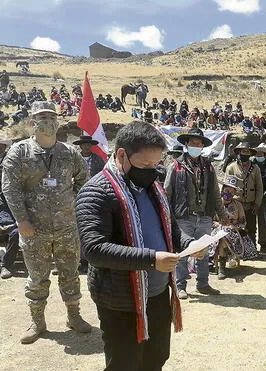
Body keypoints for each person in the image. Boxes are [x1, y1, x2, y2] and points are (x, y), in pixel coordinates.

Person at [75, 121, 201, 370]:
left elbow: (170, 231)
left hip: (157, 296)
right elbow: (94, 249)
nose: (152, 171)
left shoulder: (153, 188)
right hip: (120, 300)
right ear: (122, 155)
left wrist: (190, 244)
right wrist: (152, 259)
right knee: (125, 364)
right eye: (145, 165)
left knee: (156, 359)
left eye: (156, 164)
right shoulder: (96, 192)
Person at [2, 101, 92, 344]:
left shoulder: (69, 152)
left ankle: (74, 316)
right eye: (42, 117)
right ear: (32, 122)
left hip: (67, 228)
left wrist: (75, 207)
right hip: (34, 230)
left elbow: (85, 181)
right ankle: (38, 322)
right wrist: (22, 220)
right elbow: (10, 189)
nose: (48, 121)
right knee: (37, 278)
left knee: (70, 274)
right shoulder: (19, 152)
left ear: (57, 121)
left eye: (52, 117)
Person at [164, 128, 228, 299]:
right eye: (193, 142)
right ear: (186, 144)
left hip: (204, 216)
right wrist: (167, 216)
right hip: (183, 216)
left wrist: (222, 214)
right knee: (183, 251)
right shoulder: (175, 166)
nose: (196, 145)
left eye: (199, 143)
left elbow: (215, 192)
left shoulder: (208, 166)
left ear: (202, 146)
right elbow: (166, 193)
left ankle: (203, 284)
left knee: (203, 251)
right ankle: (180, 286)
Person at [211, 175, 258, 280]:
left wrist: (233, 226)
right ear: (222, 189)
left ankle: (223, 266)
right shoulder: (215, 204)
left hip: (234, 232)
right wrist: (219, 225)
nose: (229, 193)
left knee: (226, 234)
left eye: (232, 192)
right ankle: (222, 266)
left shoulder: (238, 205)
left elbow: (243, 222)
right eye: (227, 190)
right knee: (222, 236)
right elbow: (210, 220)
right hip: (217, 231)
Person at [225, 142, 263, 247]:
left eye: (247, 151)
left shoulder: (255, 168)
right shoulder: (231, 167)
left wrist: (257, 203)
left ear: (250, 154)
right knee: (234, 227)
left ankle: (251, 249)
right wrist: (227, 203)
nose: (245, 153)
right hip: (236, 203)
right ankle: (236, 250)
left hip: (250, 204)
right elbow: (227, 187)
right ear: (238, 152)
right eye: (243, 151)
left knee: (251, 228)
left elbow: (259, 187)